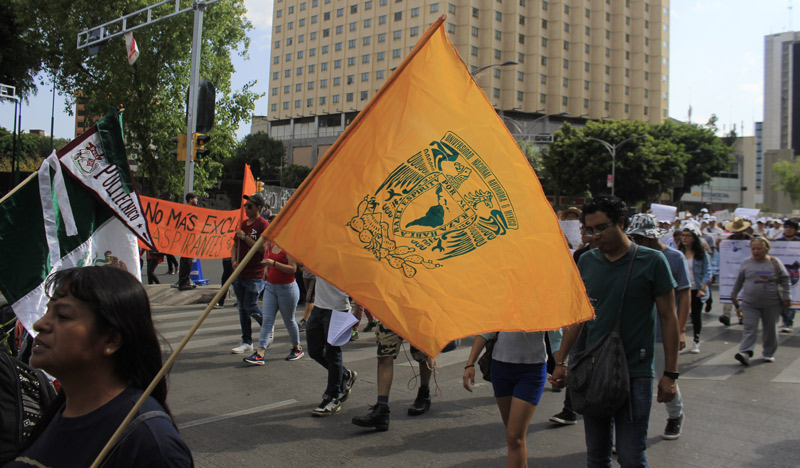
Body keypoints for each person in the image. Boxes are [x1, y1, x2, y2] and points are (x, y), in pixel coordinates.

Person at [6, 266, 193, 467]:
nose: (40, 324)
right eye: (47, 312)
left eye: (62, 316)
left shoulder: (150, 444)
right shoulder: (57, 411)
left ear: (111, 340)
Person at [550, 195, 679, 468]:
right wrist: (561, 361)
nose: (595, 236)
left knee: (631, 457)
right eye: (590, 230)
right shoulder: (587, 262)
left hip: (636, 373)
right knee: (596, 458)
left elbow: (669, 318)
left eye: (601, 228)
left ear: (621, 222)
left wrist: (670, 374)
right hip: (593, 371)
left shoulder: (653, 261)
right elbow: (578, 317)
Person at [627, 213, 691, 440]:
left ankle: (675, 415)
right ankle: (628, 433)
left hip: (663, 332)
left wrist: (681, 329)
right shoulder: (632, 256)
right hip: (638, 330)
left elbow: (684, 294)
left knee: (666, 377)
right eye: (634, 237)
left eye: (641, 238)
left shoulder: (674, 257)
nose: (637, 241)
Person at [463, 332, 547, 468]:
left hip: (532, 370)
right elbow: (486, 330)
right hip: (500, 368)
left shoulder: (545, 309)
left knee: (515, 437)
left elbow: (557, 336)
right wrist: (469, 363)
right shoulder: (499, 308)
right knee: (514, 437)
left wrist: (560, 364)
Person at [351, 324, 434, 431]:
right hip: (391, 313)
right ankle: (382, 410)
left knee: (423, 354)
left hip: (418, 315)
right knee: (384, 354)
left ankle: (424, 394)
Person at [731, 237, 792, 365]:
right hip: (749, 302)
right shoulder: (746, 263)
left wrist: (787, 297)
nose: (756, 251)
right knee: (749, 327)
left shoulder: (775, 262)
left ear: (766, 249)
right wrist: (734, 294)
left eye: (759, 248)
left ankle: (768, 353)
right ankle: (745, 352)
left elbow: (786, 280)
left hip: (771, 303)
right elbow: (739, 280)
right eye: (753, 248)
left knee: (770, 329)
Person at [243, 241, 304, 365]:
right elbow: (268, 259)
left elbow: (293, 269)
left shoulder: (288, 247)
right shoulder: (271, 245)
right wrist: (267, 268)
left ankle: (297, 347)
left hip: (287, 289)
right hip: (271, 288)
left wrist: (274, 264)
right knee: (267, 320)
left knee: (289, 320)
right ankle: (260, 352)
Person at [304, 277, 358, 416]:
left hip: (338, 309)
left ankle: (332, 397)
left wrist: (357, 312)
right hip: (318, 307)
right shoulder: (321, 256)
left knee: (332, 353)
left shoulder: (346, 257)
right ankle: (344, 374)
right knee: (314, 351)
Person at [230, 193, 269, 355]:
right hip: (240, 273)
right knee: (242, 309)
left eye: (250, 206)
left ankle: (267, 325)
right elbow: (234, 246)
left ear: (258, 208)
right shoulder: (243, 224)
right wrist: (233, 261)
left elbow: (262, 248)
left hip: (255, 274)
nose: (246, 208)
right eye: (245, 206)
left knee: (249, 306)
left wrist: (245, 237)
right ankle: (246, 341)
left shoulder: (263, 225)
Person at [678, 222, 711, 354]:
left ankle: (696, 341)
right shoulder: (678, 253)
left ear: (694, 238)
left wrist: (702, 288)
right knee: (679, 314)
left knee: (696, 316)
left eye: (688, 236)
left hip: (696, 290)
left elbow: (707, 272)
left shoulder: (701, 254)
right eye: (683, 235)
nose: (684, 238)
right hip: (682, 289)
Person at [719, 217, 753, 326]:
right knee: (728, 291)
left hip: (745, 270)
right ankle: (726, 315)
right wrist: (719, 244)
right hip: (730, 270)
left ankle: (741, 315)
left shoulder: (750, 240)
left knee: (743, 294)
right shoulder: (728, 240)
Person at [777, 218, 799, 333]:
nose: (788, 230)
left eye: (791, 228)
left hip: (794, 274)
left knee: (792, 297)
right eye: (786, 227)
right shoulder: (777, 242)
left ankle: (788, 322)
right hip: (780, 274)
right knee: (780, 297)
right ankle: (784, 318)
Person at [177, 193, 199, 291]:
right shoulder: (187, 211)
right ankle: (183, 282)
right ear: (190, 199)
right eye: (195, 198)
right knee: (186, 261)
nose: (197, 200)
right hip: (186, 240)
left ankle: (186, 281)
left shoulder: (192, 211)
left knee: (188, 262)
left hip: (190, 239)